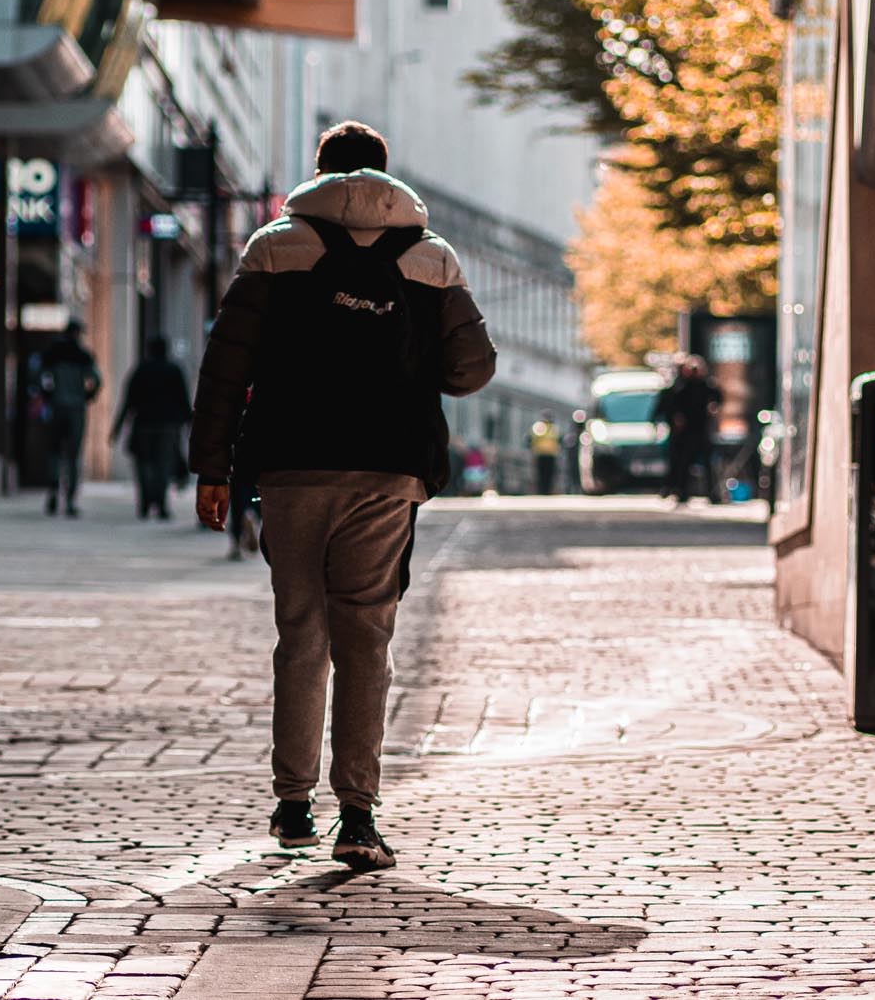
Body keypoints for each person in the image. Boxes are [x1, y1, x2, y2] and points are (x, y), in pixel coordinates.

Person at [190, 120, 496, 871]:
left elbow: (226, 366)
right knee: (367, 638)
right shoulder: (431, 257)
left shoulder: (275, 247)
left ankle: (293, 805)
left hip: (290, 464)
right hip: (389, 468)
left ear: (320, 172)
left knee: (301, 632)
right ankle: (357, 817)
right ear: (386, 175)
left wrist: (212, 468)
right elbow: (472, 368)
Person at [109, 337, 192, 520]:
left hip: (144, 424)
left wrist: (117, 428)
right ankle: (161, 504)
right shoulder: (174, 370)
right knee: (163, 465)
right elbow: (183, 400)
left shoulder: (141, 370)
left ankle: (146, 503)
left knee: (144, 465)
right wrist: (190, 424)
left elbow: (128, 401)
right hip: (168, 425)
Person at [33, 320, 101, 518]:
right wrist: (87, 396)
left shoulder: (52, 354)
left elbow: (38, 376)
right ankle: (70, 500)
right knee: (72, 455)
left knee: (53, 451)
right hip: (76, 409)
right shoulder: (83, 355)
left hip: (56, 407)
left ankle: (53, 491)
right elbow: (96, 380)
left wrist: (47, 393)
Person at [654, 355, 722, 504]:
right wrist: (675, 418)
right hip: (684, 432)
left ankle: (712, 493)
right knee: (683, 462)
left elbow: (717, 398)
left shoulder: (706, 385)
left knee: (708, 463)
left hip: (701, 429)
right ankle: (680, 490)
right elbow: (669, 404)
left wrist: (713, 406)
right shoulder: (680, 386)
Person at [528, 410, 563, 495]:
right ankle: (541, 491)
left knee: (549, 474)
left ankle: (548, 491)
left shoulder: (554, 428)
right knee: (541, 474)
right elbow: (531, 439)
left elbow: (559, 440)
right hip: (541, 454)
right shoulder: (539, 426)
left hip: (551, 455)